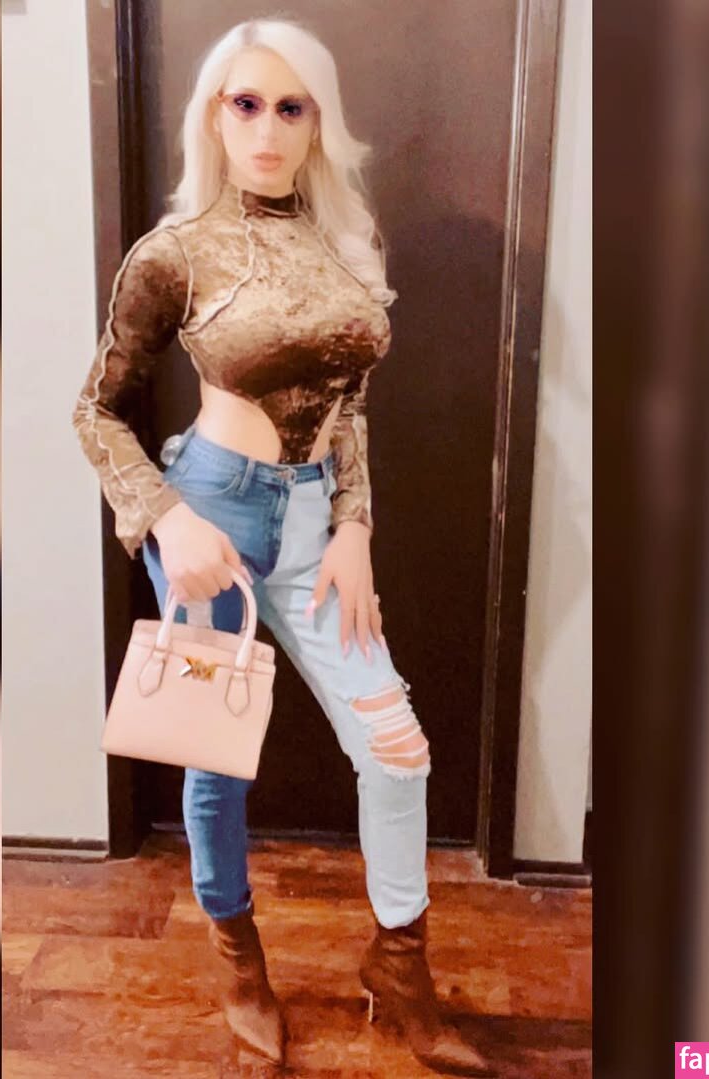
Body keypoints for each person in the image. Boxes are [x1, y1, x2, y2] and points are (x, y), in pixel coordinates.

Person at [72, 17, 495, 1076]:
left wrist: (355, 524)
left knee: (396, 745)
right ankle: (240, 963)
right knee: (217, 759)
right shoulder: (175, 253)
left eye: (290, 107)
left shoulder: (349, 242)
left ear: (317, 122)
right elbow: (97, 409)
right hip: (211, 514)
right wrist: (167, 520)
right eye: (245, 104)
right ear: (214, 118)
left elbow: (350, 406)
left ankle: (399, 963)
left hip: (314, 526)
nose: (266, 129)